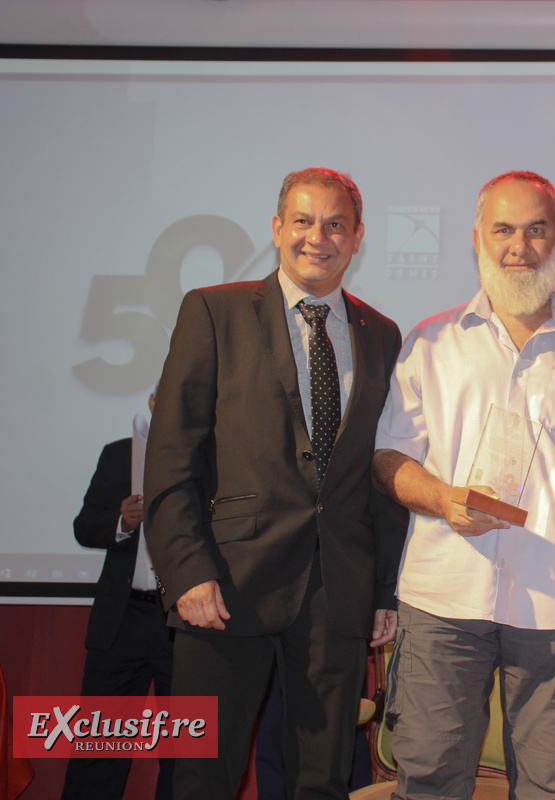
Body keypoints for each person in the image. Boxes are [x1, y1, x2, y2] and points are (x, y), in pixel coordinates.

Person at [372, 170, 555, 800]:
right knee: (429, 781)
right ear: (477, 239)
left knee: (552, 787)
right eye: (503, 230)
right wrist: (442, 500)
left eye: (536, 229)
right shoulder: (429, 343)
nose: (520, 246)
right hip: (443, 599)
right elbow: (388, 458)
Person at [144, 168, 406, 799]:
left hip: (337, 592)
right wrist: (185, 571)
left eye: (335, 224)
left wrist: (384, 590)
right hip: (223, 586)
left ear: (357, 237)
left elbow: (380, 468)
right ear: (276, 227)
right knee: (202, 778)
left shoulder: (382, 334)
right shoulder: (213, 311)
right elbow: (172, 456)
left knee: (322, 780)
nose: (318, 237)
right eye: (304, 221)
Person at [62, 394, 174, 800]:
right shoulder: (118, 455)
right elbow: (84, 526)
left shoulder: (208, 457)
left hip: (182, 624)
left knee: (184, 752)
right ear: (153, 401)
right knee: (99, 745)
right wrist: (121, 523)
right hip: (121, 621)